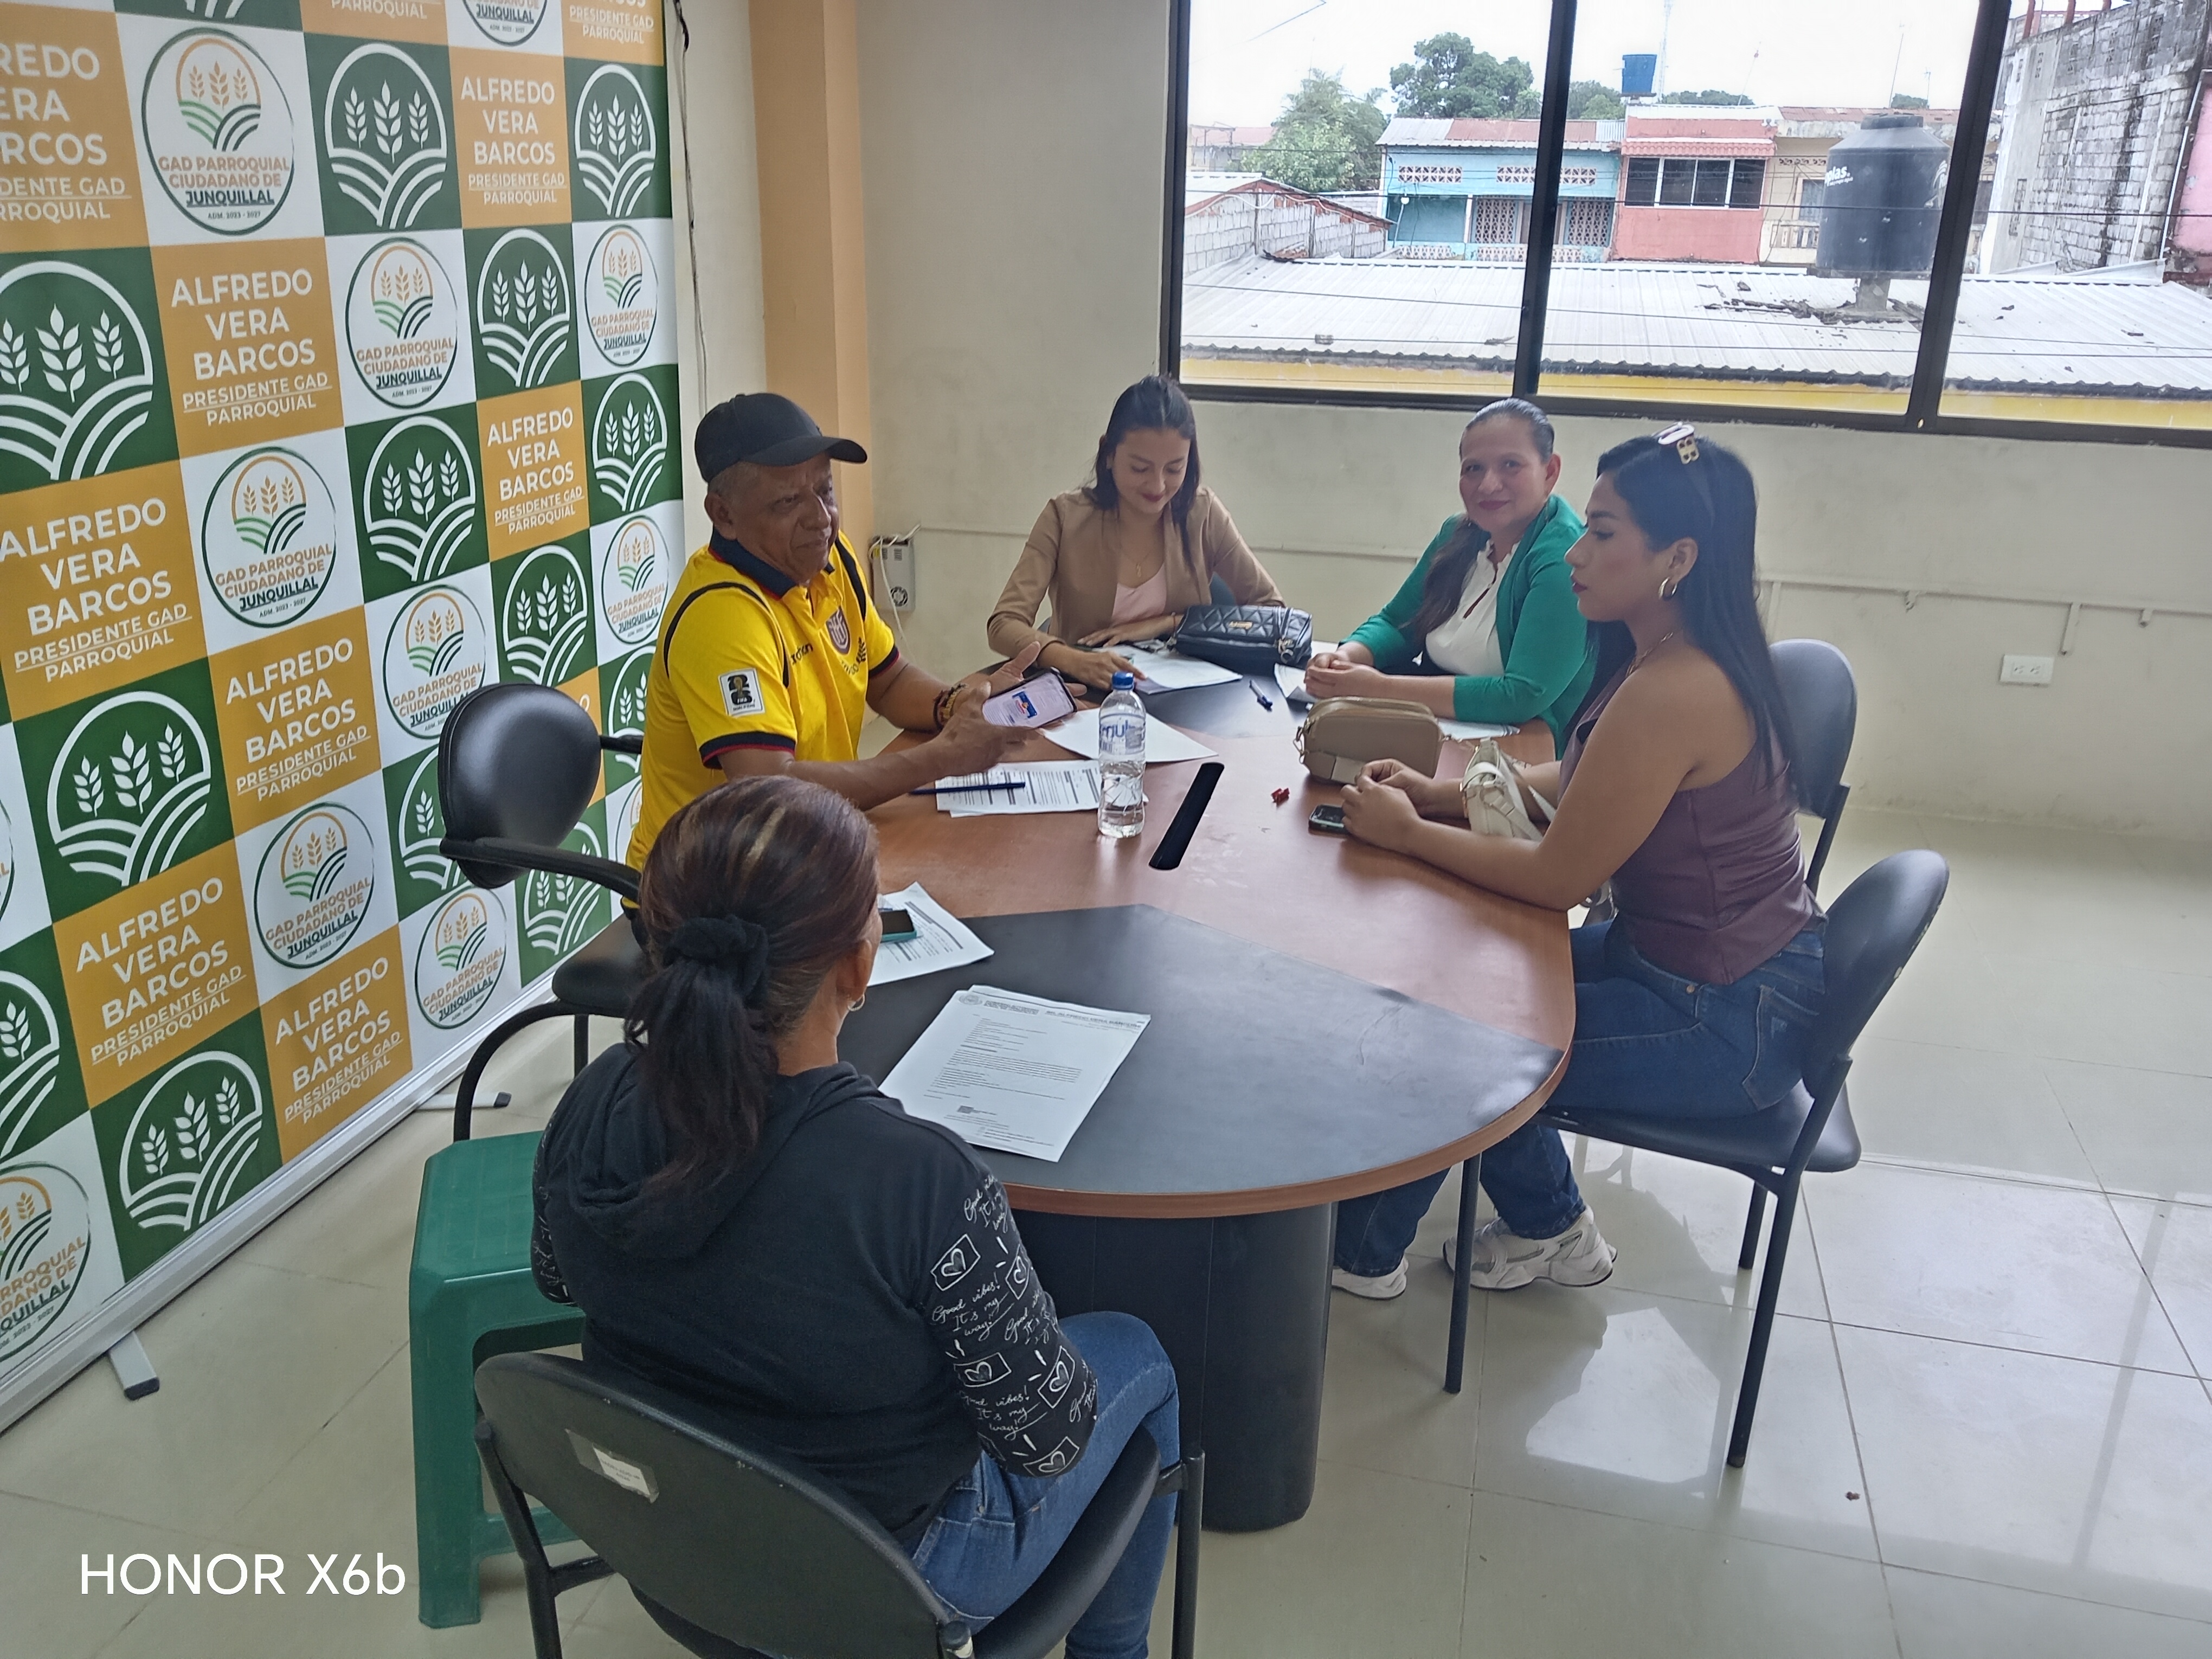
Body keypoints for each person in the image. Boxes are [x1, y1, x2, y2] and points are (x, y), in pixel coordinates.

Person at [535, 777, 1182, 1658]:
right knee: (1140, 1354)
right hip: (884, 1579)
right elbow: (1050, 1439)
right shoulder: (921, 1181)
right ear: (858, 964)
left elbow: (557, 1276)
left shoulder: (593, 1095)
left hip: (672, 1536)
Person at [1326, 426, 1824, 1299]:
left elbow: (1559, 879)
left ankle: (1362, 1257)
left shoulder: (1675, 689)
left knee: (1460, 1042)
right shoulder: (1670, 649)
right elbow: (1590, 774)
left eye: (1602, 533)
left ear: (1677, 559)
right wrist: (1441, 795)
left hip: (1727, 1016)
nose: (1575, 554)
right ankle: (1550, 1225)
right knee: (1464, 987)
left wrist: (1403, 833)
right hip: (1692, 965)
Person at [628, 392, 1043, 868]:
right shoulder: (721, 616)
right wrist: (944, 757)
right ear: (724, 515)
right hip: (711, 887)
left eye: (825, 491)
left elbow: (888, 680)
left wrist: (959, 704)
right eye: (788, 502)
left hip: (807, 849)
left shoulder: (830, 557)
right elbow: (772, 791)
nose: (821, 518)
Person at [1304, 398, 1596, 753]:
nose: (1488, 485)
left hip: (1521, 750)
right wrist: (1347, 659)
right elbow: (1399, 622)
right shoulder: (1459, 533)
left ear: (1550, 471)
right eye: (1473, 468)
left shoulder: (1563, 559)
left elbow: (1522, 695)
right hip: (1432, 729)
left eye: (1510, 465)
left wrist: (1376, 687)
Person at [989, 374, 1285, 691]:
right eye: (1140, 468)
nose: (1158, 486)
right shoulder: (1065, 518)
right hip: (1086, 691)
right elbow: (1004, 623)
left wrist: (1170, 623)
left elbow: (1273, 611)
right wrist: (1073, 659)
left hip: (1188, 694)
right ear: (1109, 454)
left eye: (1174, 469)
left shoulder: (1203, 513)